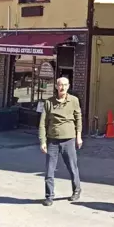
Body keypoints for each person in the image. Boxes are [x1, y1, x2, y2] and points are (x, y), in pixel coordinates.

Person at [39, 77, 83, 206]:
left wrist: (79, 136)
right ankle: (49, 196)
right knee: (49, 170)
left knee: (72, 167)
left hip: (69, 139)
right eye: (60, 85)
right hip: (52, 140)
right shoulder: (49, 102)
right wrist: (43, 141)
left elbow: (78, 119)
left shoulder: (74, 101)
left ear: (68, 86)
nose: (62, 87)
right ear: (56, 87)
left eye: (65, 85)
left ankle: (76, 190)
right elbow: (42, 124)